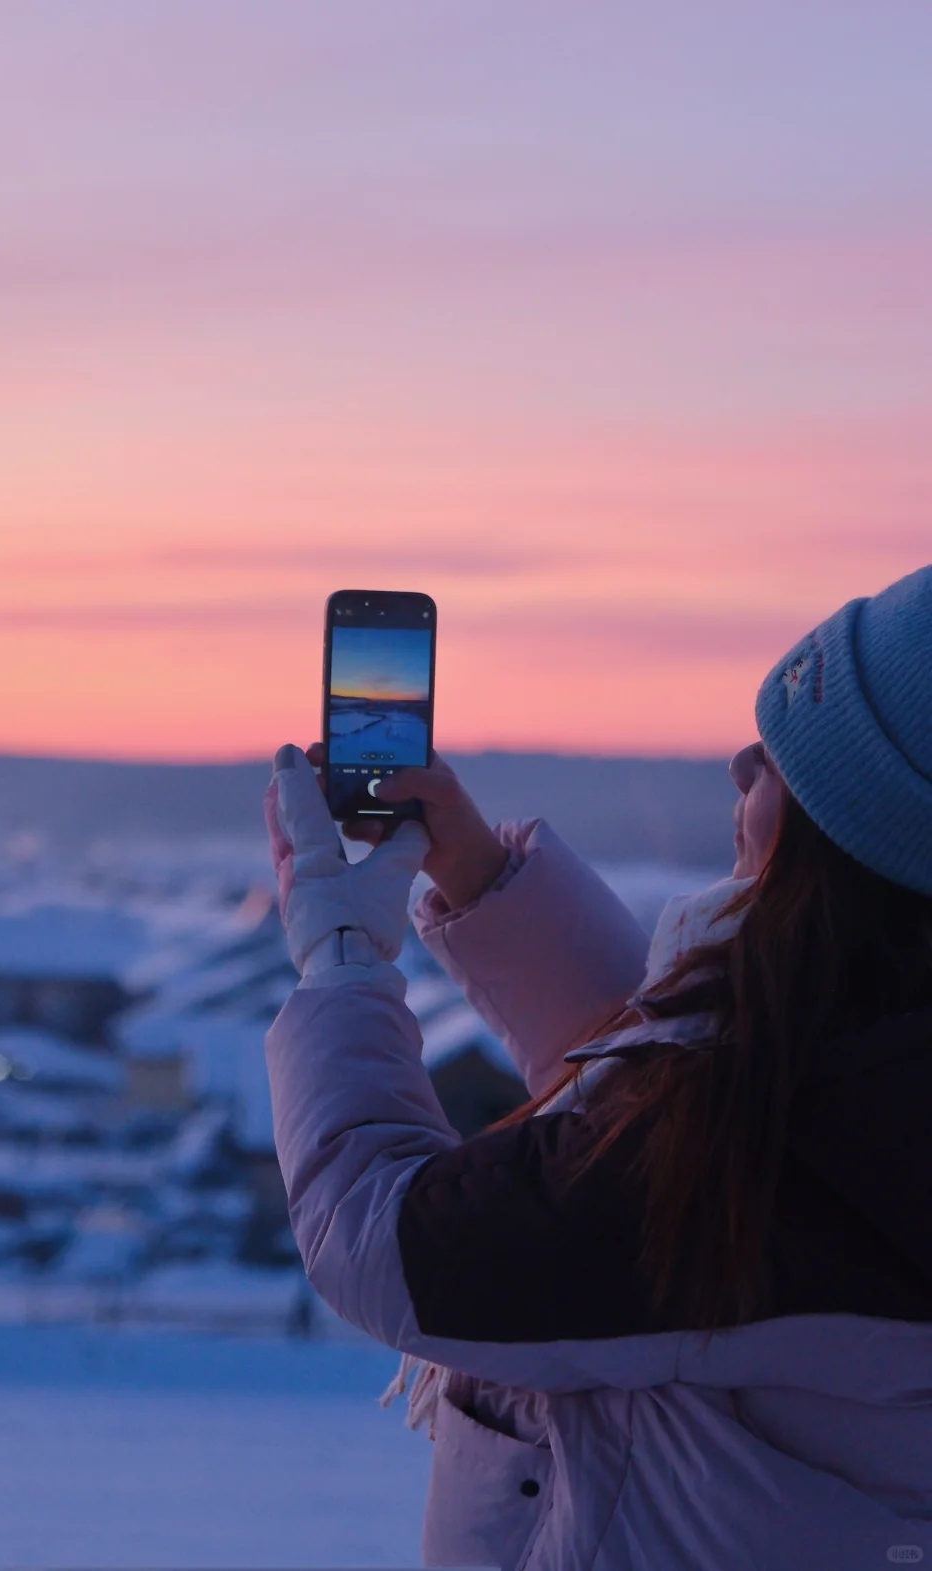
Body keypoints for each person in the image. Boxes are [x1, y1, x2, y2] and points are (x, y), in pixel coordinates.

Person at [263, 565, 932, 1571]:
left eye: (788, 758)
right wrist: (484, 878)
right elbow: (668, 1108)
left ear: (863, 849)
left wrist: (342, 965)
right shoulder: (868, 1079)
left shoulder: (801, 1161)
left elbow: (390, 1244)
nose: (742, 766)